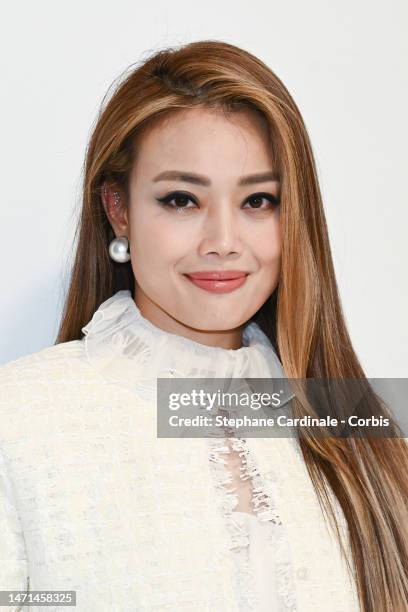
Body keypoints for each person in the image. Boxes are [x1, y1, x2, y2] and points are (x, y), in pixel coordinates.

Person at [0, 39, 407, 612]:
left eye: (258, 201)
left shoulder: (362, 431)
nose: (222, 243)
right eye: (182, 200)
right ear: (118, 208)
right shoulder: (20, 420)